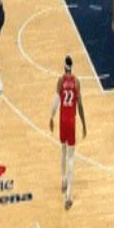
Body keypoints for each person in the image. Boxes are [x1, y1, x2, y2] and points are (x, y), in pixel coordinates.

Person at [49, 56, 87, 210]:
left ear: (64, 67)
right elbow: (80, 105)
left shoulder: (60, 81)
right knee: (71, 157)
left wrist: (51, 117)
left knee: (63, 150)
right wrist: (84, 124)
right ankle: (68, 196)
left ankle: (63, 180)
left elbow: (55, 101)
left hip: (62, 120)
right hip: (71, 121)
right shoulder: (76, 82)